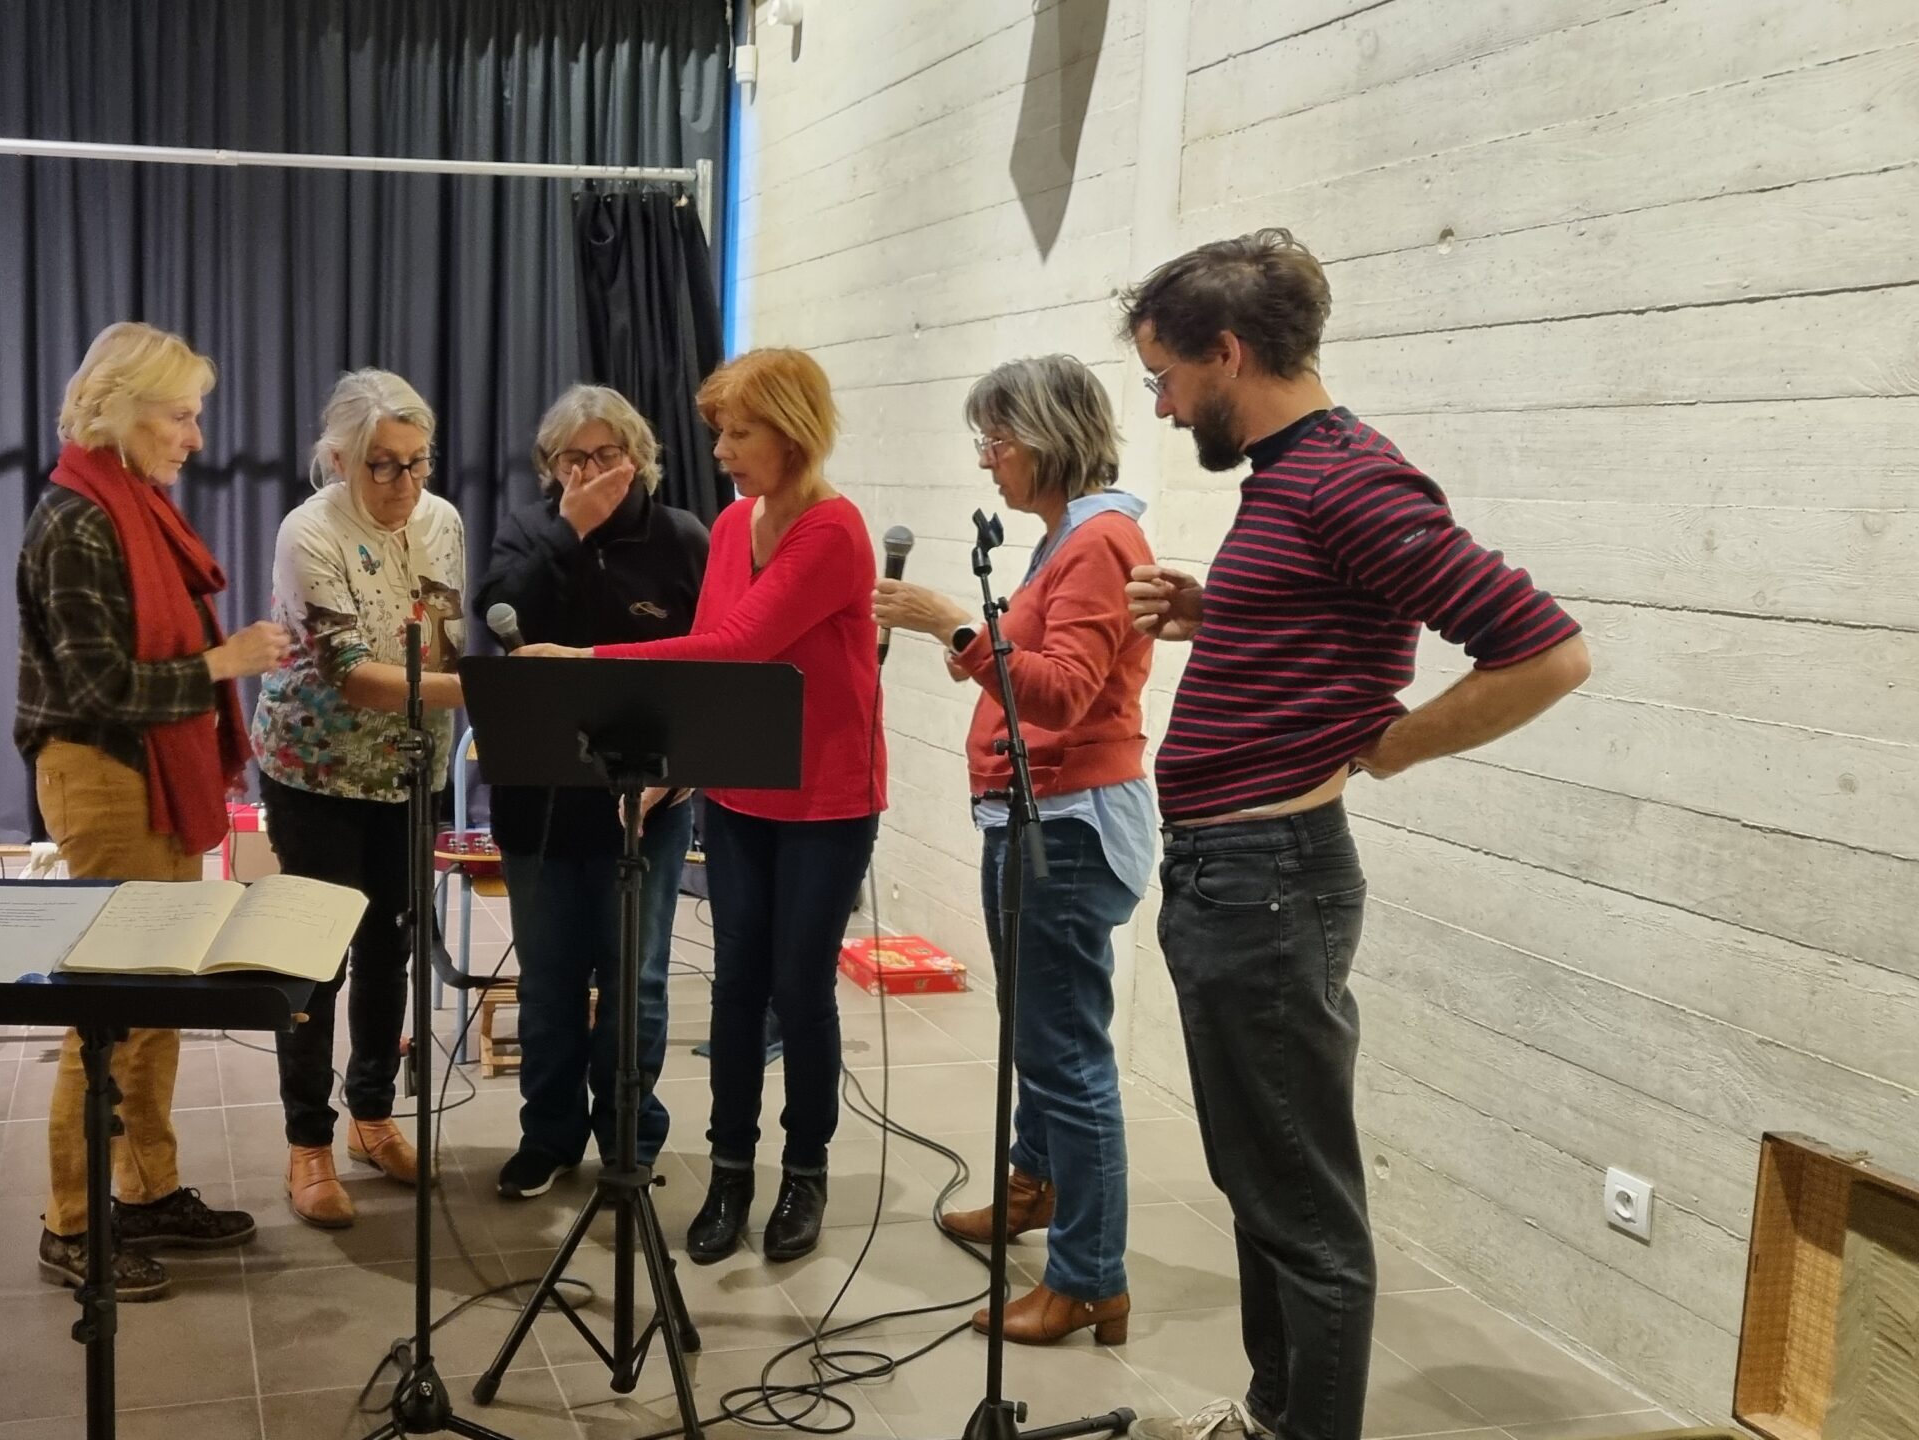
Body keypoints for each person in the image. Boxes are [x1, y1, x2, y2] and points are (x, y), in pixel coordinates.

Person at [1118, 230, 1591, 1440]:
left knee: (1304, 1215)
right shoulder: (1295, 480)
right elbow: (1337, 616)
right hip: (1235, 876)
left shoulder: (1340, 479)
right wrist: (1214, 610)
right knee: (1258, 1182)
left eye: (1166, 376)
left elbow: (1545, 649)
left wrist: (1398, 743)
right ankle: (1274, 1414)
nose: (1164, 408)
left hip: (1267, 880)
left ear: (1228, 353)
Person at [523, 347, 886, 1266]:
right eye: (719, 429)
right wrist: (674, 761)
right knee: (734, 986)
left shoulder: (833, 531)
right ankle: (732, 1170)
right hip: (739, 784)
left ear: (793, 429)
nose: (720, 448)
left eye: (739, 431)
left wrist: (584, 664)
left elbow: (739, 644)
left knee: (797, 989)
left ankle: (804, 1173)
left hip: (826, 797)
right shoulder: (733, 526)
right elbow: (707, 657)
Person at [871, 354, 1155, 1347]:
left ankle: (1089, 1279)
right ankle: (1032, 1186)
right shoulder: (1064, 540)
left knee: (1066, 1052)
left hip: (1066, 827)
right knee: (1040, 1032)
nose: (987, 464)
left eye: (994, 444)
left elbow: (1065, 691)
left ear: (1043, 441)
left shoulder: (1099, 543)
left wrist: (951, 622)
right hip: (1038, 818)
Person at [15, 321, 288, 1299]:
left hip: (151, 773)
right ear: (120, 410)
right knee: (110, 1011)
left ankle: (148, 1188)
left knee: (157, 997)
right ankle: (73, 1221)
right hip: (104, 772)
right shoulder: (77, 520)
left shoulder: (131, 503)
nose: (195, 436)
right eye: (181, 414)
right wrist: (226, 663)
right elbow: (99, 689)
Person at [473, 384, 711, 1199]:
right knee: (548, 980)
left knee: (636, 977)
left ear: (639, 457)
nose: (590, 470)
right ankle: (547, 1137)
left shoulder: (683, 539)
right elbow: (500, 614)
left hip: (649, 805)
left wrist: (682, 769)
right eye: (572, 458)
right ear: (551, 468)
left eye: (607, 454)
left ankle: (631, 1138)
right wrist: (568, 534)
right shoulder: (526, 532)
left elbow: (714, 660)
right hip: (539, 800)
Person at [251, 368, 467, 1227]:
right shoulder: (309, 533)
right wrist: (492, 691)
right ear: (340, 459)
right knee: (316, 960)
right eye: (384, 466)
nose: (406, 485)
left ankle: (371, 1117)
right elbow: (355, 680)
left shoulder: (441, 519)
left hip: (412, 770)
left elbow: (441, 637)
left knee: (393, 949)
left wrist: (462, 686)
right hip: (318, 772)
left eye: (419, 463)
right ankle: (307, 1141)